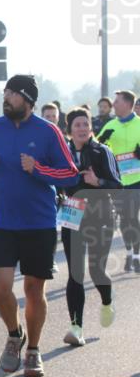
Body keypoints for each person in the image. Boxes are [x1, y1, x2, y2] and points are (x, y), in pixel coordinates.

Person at [0, 75, 79, 377]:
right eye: (5, 92)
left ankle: (33, 349)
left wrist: (39, 169)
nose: (6, 98)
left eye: (12, 93)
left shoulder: (48, 131)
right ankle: (14, 333)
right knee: (0, 288)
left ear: (27, 99)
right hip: (3, 221)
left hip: (39, 223)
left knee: (33, 289)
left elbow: (70, 174)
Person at [59, 107, 122, 346]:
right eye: (77, 125)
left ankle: (107, 298)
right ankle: (76, 327)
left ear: (91, 127)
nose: (83, 128)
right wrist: (59, 198)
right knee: (76, 273)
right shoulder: (62, 154)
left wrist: (98, 181)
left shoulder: (101, 151)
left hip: (100, 215)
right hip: (72, 215)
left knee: (96, 271)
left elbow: (117, 186)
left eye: (85, 124)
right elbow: (55, 182)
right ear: (70, 129)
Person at [96, 90, 140, 273]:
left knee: (133, 217)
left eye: (117, 101)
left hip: (138, 179)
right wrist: (102, 143)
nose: (114, 104)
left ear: (128, 104)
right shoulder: (110, 125)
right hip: (118, 181)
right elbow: (95, 149)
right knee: (124, 219)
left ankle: (136, 256)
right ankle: (129, 251)